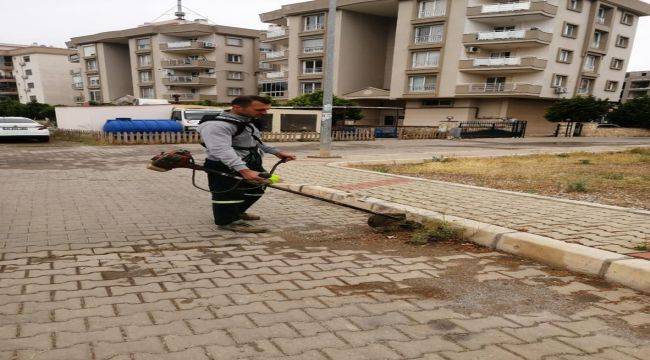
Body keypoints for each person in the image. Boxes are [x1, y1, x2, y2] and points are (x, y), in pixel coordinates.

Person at [198, 95, 296, 233]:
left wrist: (276, 152)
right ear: (237, 107)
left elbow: (254, 141)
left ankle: (236, 212)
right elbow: (221, 150)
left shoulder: (246, 121)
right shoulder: (216, 125)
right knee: (228, 194)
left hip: (249, 161)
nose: (264, 113)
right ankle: (227, 221)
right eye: (260, 109)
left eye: (266, 109)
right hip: (224, 164)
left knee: (258, 187)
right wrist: (244, 170)